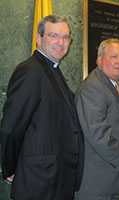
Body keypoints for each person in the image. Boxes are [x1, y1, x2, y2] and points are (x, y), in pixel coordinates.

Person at [0, 14, 83, 200]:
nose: (61, 42)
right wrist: (11, 167)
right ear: (39, 38)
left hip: (55, 180)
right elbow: (11, 127)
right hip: (39, 181)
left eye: (66, 37)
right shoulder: (30, 71)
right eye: (53, 36)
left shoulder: (52, 69)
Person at [74, 38, 119, 200]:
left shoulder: (113, 84)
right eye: (114, 57)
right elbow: (98, 135)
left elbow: (118, 126)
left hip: (113, 181)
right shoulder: (93, 87)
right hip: (98, 185)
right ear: (100, 59)